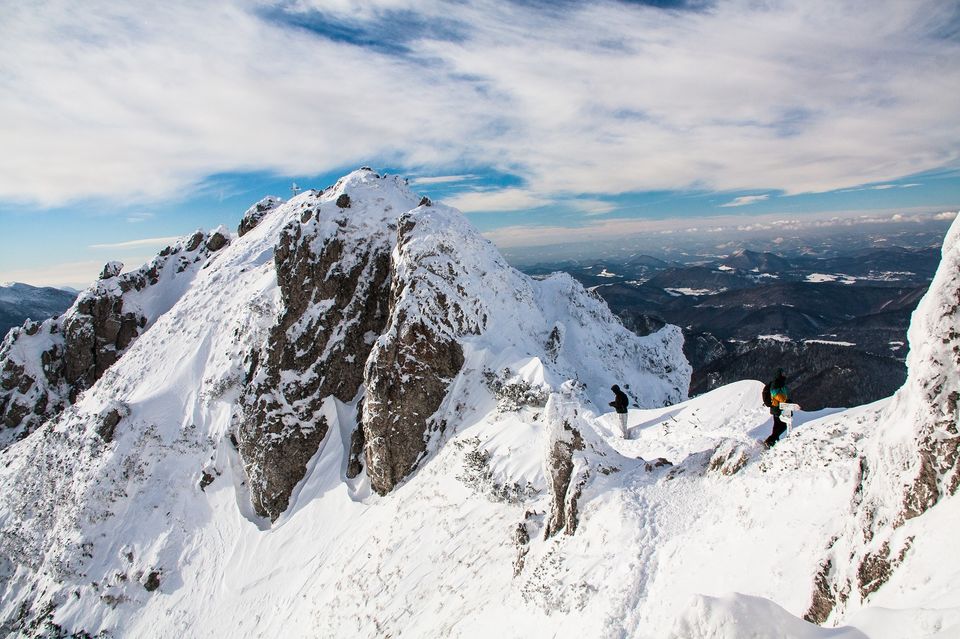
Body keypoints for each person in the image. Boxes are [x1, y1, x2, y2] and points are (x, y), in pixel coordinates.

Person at [764, 369, 790, 447]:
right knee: (783, 426)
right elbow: (776, 394)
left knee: (777, 425)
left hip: (778, 407)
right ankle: (770, 440)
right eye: (782, 373)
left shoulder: (781, 383)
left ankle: (773, 441)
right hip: (777, 407)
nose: (784, 374)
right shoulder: (776, 383)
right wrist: (785, 400)